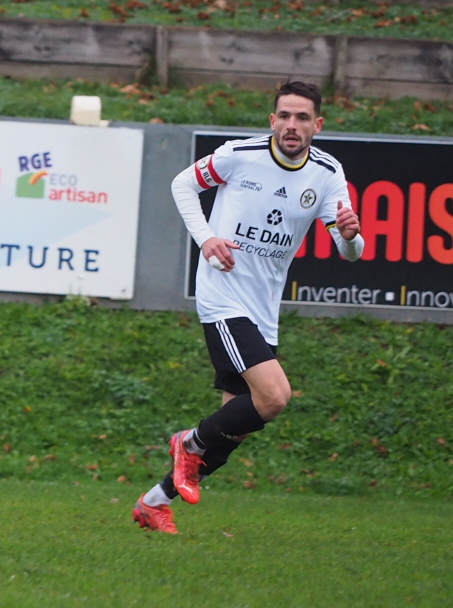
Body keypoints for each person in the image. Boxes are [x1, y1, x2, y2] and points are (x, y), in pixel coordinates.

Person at [135, 80, 362, 533]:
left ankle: (154, 501)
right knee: (275, 397)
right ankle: (187, 441)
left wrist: (351, 235)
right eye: (284, 115)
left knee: (231, 431)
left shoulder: (327, 173)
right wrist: (207, 239)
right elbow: (182, 184)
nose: (291, 125)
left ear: (317, 125)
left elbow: (346, 249)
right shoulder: (239, 155)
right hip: (223, 298)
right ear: (272, 119)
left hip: (263, 309)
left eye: (301, 118)